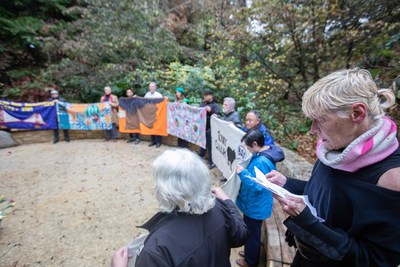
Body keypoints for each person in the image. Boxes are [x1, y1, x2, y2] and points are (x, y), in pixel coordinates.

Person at [265, 68, 400, 267]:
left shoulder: (391, 179)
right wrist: (287, 183)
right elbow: (327, 193)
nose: (312, 130)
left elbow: (374, 260)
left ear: (357, 113)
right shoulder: (334, 150)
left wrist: (308, 223)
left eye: (320, 119)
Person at [111, 149, 249, 267]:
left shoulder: (157, 249)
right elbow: (241, 236)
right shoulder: (220, 207)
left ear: (165, 190)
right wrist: (227, 200)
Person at [235, 129, 276, 267]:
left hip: (256, 206)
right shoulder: (261, 154)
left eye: (247, 146)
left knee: (253, 235)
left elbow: (259, 186)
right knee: (251, 232)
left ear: (254, 143)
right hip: (254, 204)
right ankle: (249, 253)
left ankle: (250, 261)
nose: (246, 149)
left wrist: (243, 173)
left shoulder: (262, 162)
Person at [198, 89, 221, 169]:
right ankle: (201, 155)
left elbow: (218, 116)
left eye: (206, 95)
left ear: (211, 96)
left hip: (211, 129)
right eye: (204, 95)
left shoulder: (215, 105)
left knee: (210, 145)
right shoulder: (203, 104)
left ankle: (211, 162)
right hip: (203, 127)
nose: (204, 97)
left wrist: (211, 111)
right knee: (202, 142)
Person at [144, 82, 163, 148]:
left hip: (157, 114)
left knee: (158, 128)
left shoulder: (159, 95)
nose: (151, 88)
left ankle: (159, 142)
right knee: (151, 128)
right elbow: (144, 102)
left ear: (155, 87)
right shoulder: (147, 95)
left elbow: (162, 104)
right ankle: (153, 141)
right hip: (150, 114)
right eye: (150, 86)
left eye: (152, 86)